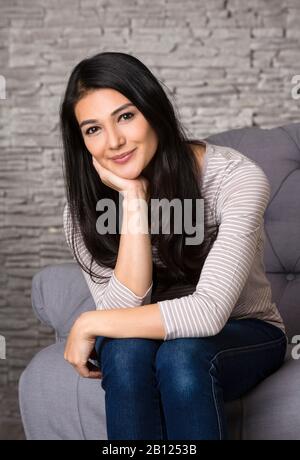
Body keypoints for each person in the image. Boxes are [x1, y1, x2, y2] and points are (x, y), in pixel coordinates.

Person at [61, 51, 287, 440]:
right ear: (81, 141)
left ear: (154, 111)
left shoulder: (235, 178)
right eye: (93, 129)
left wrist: (87, 322)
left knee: (182, 355)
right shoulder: (82, 210)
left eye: (126, 116)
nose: (113, 142)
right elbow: (123, 325)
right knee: (125, 353)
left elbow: (208, 314)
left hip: (243, 331)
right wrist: (133, 200)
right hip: (144, 344)